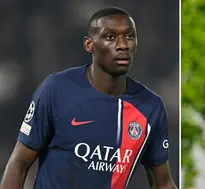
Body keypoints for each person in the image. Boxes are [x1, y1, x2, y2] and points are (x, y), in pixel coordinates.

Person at [0, 7, 177, 189]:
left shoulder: (150, 107)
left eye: (129, 36)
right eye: (110, 37)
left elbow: (162, 182)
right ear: (89, 44)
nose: (122, 45)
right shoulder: (56, 90)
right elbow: (19, 164)